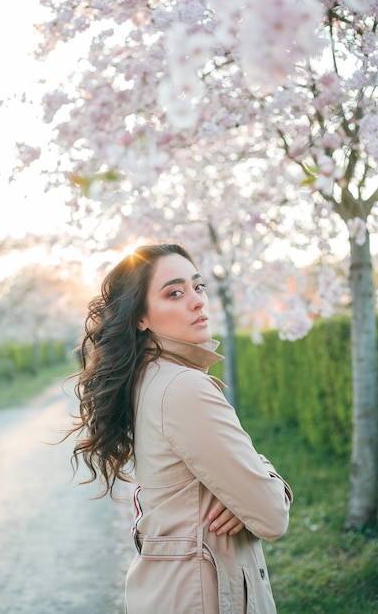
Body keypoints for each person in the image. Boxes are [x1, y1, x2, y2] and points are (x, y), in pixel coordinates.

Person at [70, 243, 293, 614]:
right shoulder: (183, 387)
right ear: (141, 317)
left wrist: (242, 494)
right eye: (174, 292)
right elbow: (271, 515)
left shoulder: (149, 377)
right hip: (200, 596)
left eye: (198, 286)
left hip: (172, 591)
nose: (196, 301)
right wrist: (260, 479)